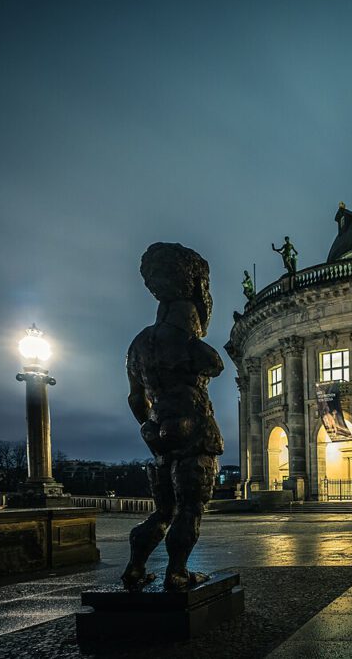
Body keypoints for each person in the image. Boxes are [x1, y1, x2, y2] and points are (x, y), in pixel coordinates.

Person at [122, 242, 224, 592]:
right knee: (190, 510)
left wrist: (152, 426)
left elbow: (136, 398)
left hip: (156, 430)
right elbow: (215, 365)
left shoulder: (138, 344)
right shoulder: (192, 345)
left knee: (163, 511)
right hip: (194, 426)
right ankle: (177, 572)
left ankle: (135, 568)